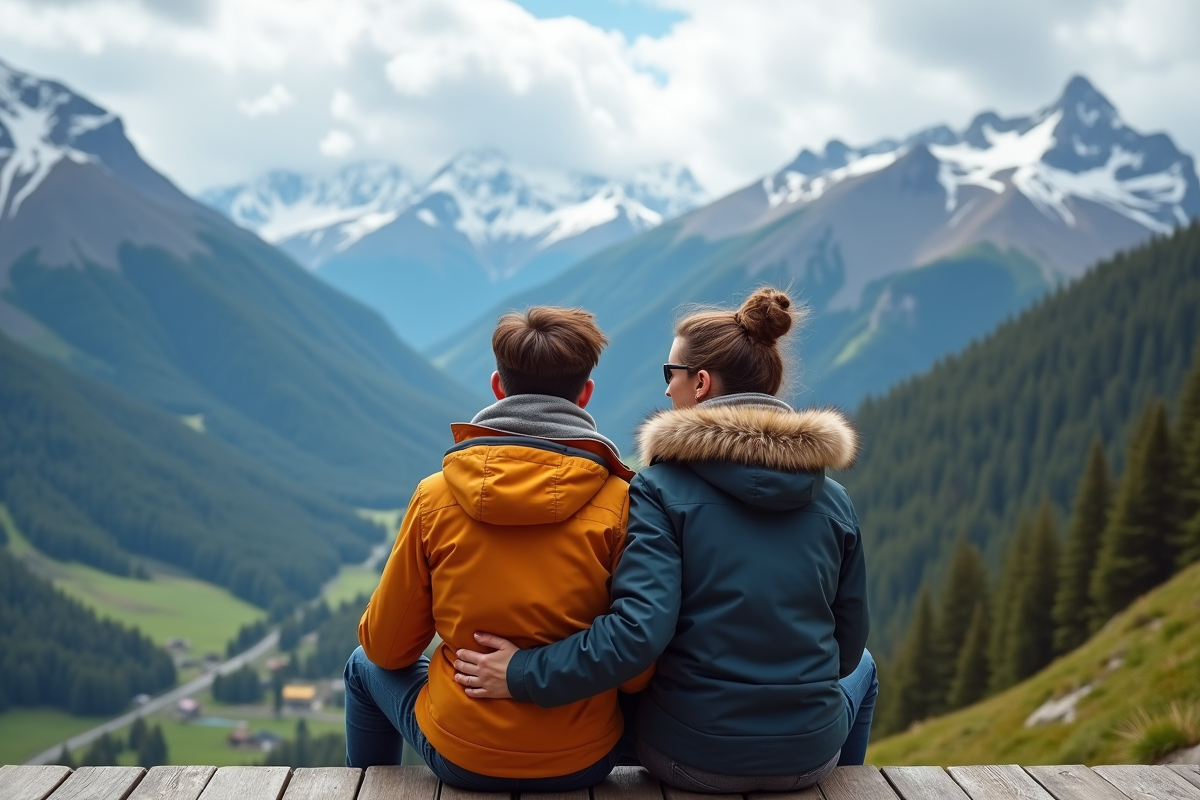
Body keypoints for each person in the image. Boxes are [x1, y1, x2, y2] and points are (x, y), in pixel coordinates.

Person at [452, 287, 877, 793]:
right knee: (867, 669)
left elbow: (636, 636)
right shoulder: (835, 501)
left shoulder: (659, 489)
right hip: (810, 759)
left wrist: (522, 671)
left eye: (669, 374)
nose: (667, 391)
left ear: (700, 383)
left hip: (688, 757)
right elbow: (846, 651)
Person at [345, 306, 652, 791]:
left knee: (362, 665)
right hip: (587, 757)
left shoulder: (435, 496)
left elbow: (387, 648)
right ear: (585, 393)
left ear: (497, 386)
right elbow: (636, 672)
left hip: (463, 753)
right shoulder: (623, 502)